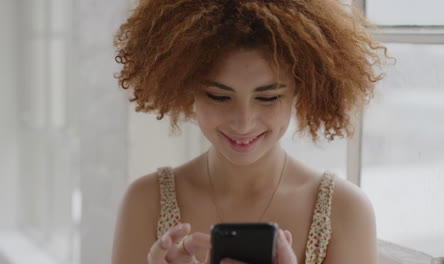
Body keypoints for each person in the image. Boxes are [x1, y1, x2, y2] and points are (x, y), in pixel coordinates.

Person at [111, 0, 391, 263]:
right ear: (185, 87)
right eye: (219, 97)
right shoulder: (145, 202)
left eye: (268, 98)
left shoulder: (345, 211)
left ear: (302, 89)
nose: (243, 123)